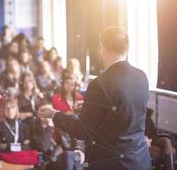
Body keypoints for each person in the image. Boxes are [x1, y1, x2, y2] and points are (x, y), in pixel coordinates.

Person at [38, 26, 151, 170]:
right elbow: (125, 107)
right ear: (127, 48)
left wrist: (53, 114)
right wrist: (90, 104)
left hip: (111, 163)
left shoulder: (100, 84)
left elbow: (81, 130)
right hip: (140, 159)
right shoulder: (142, 77)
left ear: (103, 49)